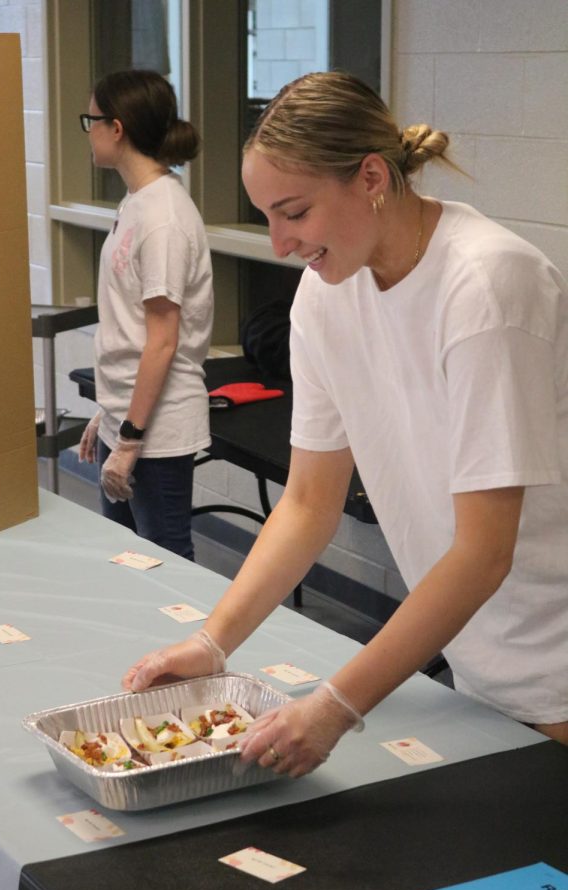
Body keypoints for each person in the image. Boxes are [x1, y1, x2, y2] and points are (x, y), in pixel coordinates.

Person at [122, 71, 568, 773]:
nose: (278, 243)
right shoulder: (326, 299)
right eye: (266, 216)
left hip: (554, 661)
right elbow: (306, 502)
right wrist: (212, 644)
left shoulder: (486, 285)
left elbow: (486, 551)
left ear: (369, 178)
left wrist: (336, 706)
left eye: (294, 212)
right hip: (478, 657)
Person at [78, 70, 213, 560]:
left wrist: (131, 438)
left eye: (89, 120)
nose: (86, 131)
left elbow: (162, 341)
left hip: (157, 429)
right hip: (129, 417)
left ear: (116, 128)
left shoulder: (165, 219)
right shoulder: (137, 200)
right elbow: (131, 324)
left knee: (167, 559)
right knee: (126, 556)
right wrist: (108, 412)